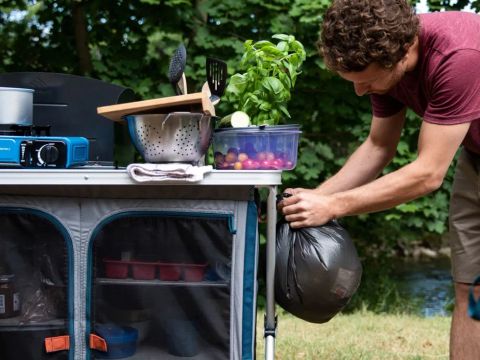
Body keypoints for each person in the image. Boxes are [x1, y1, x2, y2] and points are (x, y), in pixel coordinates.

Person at [278, 0, 480, 358]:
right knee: (471, 287)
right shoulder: (388, 67)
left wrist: (333, 205)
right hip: (477, 157)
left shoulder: (459, 54)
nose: (359, 91)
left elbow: (427, 174)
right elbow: (377, 147)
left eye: (366, 81)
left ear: (402, 53)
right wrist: (309, 201)